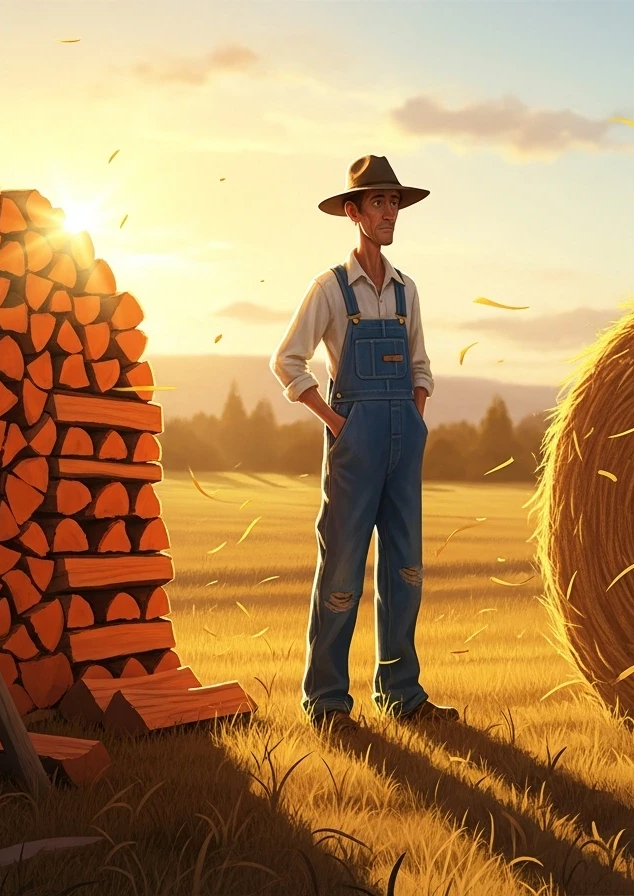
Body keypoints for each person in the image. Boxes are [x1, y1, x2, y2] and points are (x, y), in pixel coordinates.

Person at [269, 154, 461, 732]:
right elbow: (287, 361)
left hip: (405, 437)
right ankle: (326, 701)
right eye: (378, 202)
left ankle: (402, 693)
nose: (389, 212)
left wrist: (416, 414)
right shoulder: (329, 289)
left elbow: (422, 365)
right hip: (355, 441)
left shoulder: (407, 291)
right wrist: (337, 422)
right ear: (353, 213)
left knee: (406, 571)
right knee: (343, 573)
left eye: (394, 202)